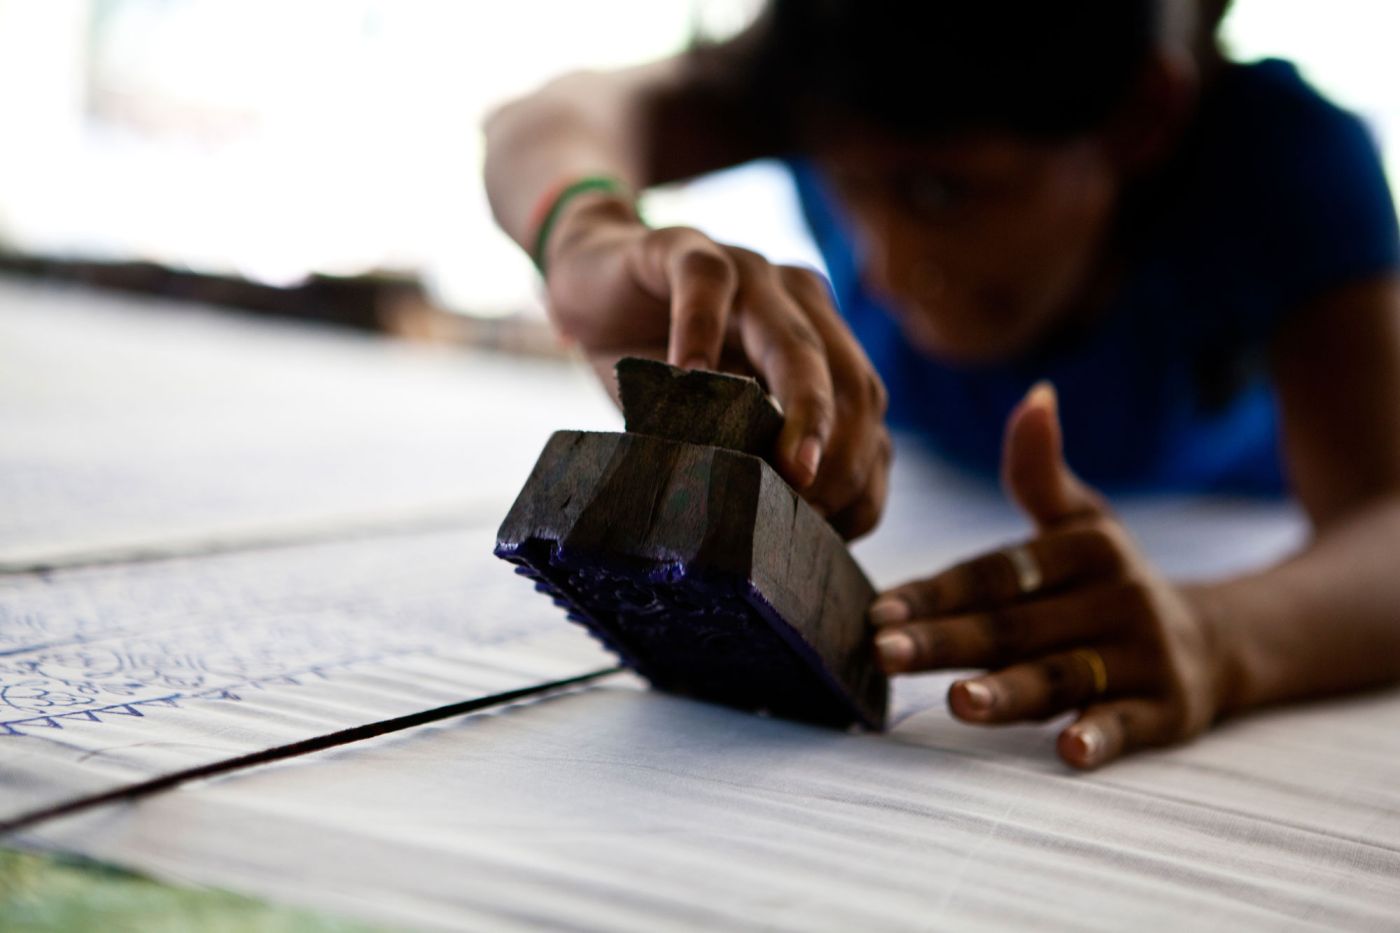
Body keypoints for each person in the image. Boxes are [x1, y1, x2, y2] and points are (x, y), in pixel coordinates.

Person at [483, 0, 1400, 768]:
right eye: (845, 182)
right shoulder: (837, 59)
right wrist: (584, 231)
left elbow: (1385, 524)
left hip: (1219, 501)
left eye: (941, 193)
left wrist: (1223, 634)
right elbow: (540, 119)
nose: (882, 267)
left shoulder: (1282, 163)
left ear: (1142, 120)